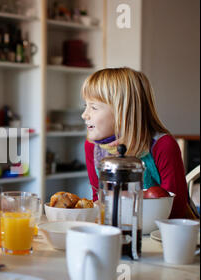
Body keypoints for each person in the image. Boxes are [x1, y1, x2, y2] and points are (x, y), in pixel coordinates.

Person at [81, 67, 195, 219]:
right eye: (85, 106)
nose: (84, 115)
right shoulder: (92, 146)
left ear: (123, 112)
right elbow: (99, 199)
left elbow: (175, 209)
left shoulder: (163, 145)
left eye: (93, 107)